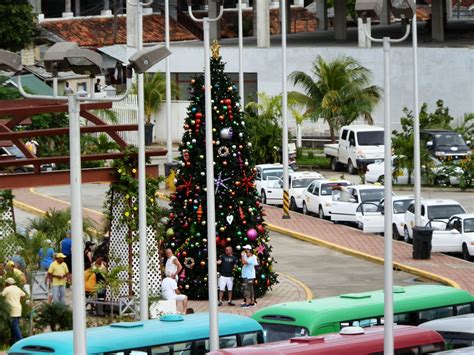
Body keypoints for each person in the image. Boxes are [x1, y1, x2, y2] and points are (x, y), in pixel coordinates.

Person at [1, 278, 26, 344]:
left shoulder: (7, 289)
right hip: (18, 308)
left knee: (14, 326)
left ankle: (21, 341)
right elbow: (24, 295)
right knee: (14, 326)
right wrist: (18, 300)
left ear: (7, 283)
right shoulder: (17, 288)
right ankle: (13, 342)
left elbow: (1, 295)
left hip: (12, 309)